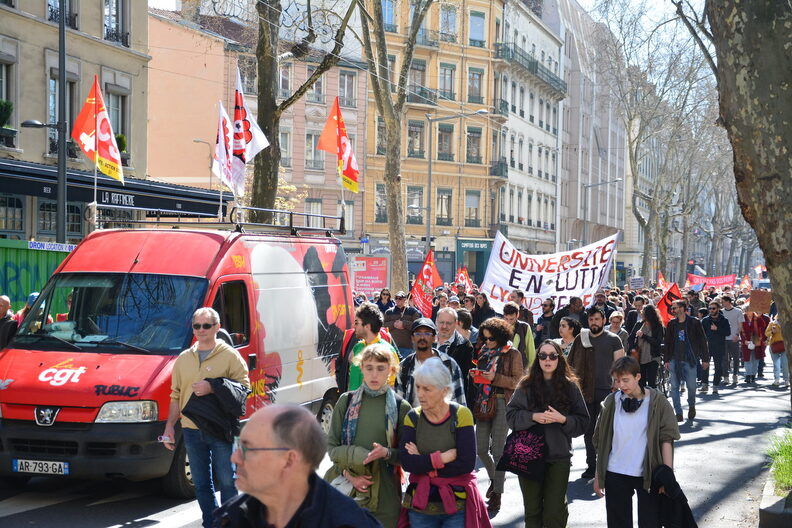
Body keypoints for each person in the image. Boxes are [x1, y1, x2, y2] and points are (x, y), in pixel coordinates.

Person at [214, 404, 382, 528]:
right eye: (238, 446)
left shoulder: (349, 522)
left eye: (247, 448)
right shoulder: (233, 516)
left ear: (289, 460)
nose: (234, 458)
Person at [162, 307, 250, 528]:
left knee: (228, 482)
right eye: (197, 326)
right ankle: (211, 523)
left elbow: (244, 388)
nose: (201, 330)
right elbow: (175, 395)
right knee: (201, 484)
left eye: (206, 326)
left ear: (217, 328)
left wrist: (213, 387)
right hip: (191, 429)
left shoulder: (230, 356)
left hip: (220, 428)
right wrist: (169, 427)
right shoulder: (183, 359)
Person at [325, 344, 411, 527]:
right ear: (361, 368)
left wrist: (386, 453)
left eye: (381, 368)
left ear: (391, 370)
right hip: (348, 491)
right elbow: (332, 448)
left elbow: (408, 457)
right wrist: (351, 477)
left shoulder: (401, 407)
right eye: (369, 368)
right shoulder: (345, 401)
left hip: (386, 497)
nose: (374, 374)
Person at [399, 357, 491, 528]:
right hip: (420, 507)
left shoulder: (461, 415)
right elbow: (407, 462)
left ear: (444, 390)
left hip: (456, 507)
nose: (420, 394)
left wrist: (423, 460)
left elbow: (466, 463)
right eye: (418, 387)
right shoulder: (413, 417)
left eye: (427, 389)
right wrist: (440, 458)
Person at [506, 340, 589, 528]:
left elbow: (583, 422)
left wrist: (563, 420)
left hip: (558, 457)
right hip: (528, 456)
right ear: (538, 359)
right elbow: (510, 417)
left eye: (553, 355)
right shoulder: (526, 385)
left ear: (560, 359)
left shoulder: (570, 386)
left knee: (554, 512)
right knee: (533, 512)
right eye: (543, 355)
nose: (548, 359)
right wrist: (533, 416)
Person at [592, 356, 681, 528]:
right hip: (615, 472)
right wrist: (598, 475)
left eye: (626, 380)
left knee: (650, 523)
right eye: (617, 381)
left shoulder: (657, 402)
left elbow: (667, 439)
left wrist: (667, 477)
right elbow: (601, 442)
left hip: (647, 474)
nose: (621, 385)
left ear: (638, 377)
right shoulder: (611, 402)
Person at [472, 318, 524, 514]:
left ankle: (497, 494)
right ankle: (495, 480)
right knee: (481, 448)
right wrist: (476, 375)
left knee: (499, 451)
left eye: (491, 338)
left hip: (503, 402)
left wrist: (495, 378)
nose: (487, 342)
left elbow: (517, 381)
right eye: (484, 339)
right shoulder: (484, 352)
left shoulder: (513, 353)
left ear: (501, 337)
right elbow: (483, 378)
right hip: (483, 402)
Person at [567, 306, 625, 479]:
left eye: (597, 319)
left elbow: (621, 364)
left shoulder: (613, 339)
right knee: (589, 430)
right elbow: (570, 362)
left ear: (604, 321)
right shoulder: (581, 338)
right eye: (591, 319)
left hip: (608, 391)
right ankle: (591, 465)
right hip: (585, 392)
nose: (594, 322)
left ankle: (608, 464)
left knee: (608, 430)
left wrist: (617, 384)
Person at [396, 318, 467, 407]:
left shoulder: (448, 364)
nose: (422, 337)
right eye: (418, 333)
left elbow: (460, 401)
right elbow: (399, 405)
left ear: (434, 338)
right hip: (414, 420)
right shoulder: (404, 366)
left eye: (427, 333)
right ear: (412, 338)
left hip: (444, 420)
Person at [663, 300, 709, 422]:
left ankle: (691, 405)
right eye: (672, 308)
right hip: (674, 359)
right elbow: (667, 342)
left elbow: (703, 341)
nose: (673, 310)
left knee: (691, 387)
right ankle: (678, 412)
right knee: (674, 387)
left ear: (683, 308)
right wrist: (666, 359)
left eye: (675, 308)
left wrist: (705, 359)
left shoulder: (694, 322)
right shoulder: (672, 324)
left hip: (690, 360)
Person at [346, 303, 400, 392]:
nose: (354, 326)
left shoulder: (388, 350)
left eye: (357, 323)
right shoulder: (357, 347)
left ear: (367, 326)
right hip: (353, 404)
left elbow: (391, 387)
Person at [436, 307, 475, 406]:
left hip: (452, 400)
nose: (444, 326)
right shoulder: (427, 341)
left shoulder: (465, 346)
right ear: (436, 321)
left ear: (456, 323)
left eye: (449, 323)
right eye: (441, 322)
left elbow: (463, 377)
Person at [627, 304, 665, 389]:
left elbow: (657, 342)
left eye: (643, 313)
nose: (641, 314)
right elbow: (630, 338)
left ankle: (653, 400)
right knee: (641, 383)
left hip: (653, 357)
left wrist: (644, 336)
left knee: (651, 383)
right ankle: (643, 401)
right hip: (640, 357)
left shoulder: (658, 326)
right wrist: (633, 348)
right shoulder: (639, 324)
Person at [700, 300, 731, 394]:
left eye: (713, 308)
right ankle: (704, 385)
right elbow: (701, 334)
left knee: (718, 367)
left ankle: (715, 386)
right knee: (705, 366)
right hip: (707, 347)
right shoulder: (705, 320)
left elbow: (728, 333)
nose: (711, 310)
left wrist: (717, 329)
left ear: (718, 309)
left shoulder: (724, 320)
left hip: (719, 346)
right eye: (709, 308)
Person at [384, 291, 422, 358]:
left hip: (408, 347)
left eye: (400, 298)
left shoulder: (412, 311)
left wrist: (404, 324)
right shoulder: (389, 312)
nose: (398, 300)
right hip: (392, 347)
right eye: (396, 298)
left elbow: (417, 326)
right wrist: (394, 324)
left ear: (405, 300)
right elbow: (383, 326)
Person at [503, 301, 536, 368]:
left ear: (517, 315)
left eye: (511, 319)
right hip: (503, 366)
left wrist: (531, 367)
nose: (509, 322)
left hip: (521, 366)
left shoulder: (525, 327)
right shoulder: (500, 327)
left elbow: (530, 349)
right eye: (506, 319)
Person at [740, 310, 769, 385]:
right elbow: (740, 330)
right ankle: (748, 375)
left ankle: (753, 375)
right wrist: (744, 341)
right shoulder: (742, 318)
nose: (747, 312)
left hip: (757, 341)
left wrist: (761, 338)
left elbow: (763, 327)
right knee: (747, 359)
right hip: (746, 341)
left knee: (755, 359)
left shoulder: (757, 318)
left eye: (749, 311)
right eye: (746, 311)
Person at [720, 295, 744, 385]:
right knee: (724, 359)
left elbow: (740, 325)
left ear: (728, 302)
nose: (722, 303)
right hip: (723, 339)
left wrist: (737, 335)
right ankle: (726, 377)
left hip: (734, 338)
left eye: (723, 301)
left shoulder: (738, 311)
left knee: (736, 358)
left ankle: (735, 375)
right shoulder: (721, 312)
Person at [766, 315, 789, 387]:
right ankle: (777, 379)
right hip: (774, 345)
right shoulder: (772, 323)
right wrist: (772, 332)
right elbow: (766, 333)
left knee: (785, 364)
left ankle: (786, 380)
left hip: (784, 345)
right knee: (776, 364)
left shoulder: (788, 323)